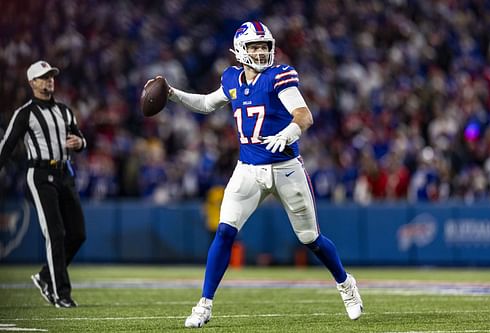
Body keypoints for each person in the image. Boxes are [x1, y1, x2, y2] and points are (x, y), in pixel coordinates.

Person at [146, 21, 363, 327]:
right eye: (254, 47)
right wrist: (172, 94)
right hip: (248, 169)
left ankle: (345, 284)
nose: (261, 52)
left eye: (264, 46)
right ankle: (204, 304)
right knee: (224, 231)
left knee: (310, 238)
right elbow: (208, 103)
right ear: (239, 51)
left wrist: (288, 133)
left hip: (287, 169)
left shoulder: (279, 76)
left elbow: (304, 115)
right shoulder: (232, 78)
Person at [0, 60, 87, 308]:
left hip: (64, 174)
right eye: (43, 77)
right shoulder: (25, 113)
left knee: (78, 234)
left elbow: (80, 139)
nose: (49, 80)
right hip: (39, 175)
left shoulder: (65, 111)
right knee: (56, 233)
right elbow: (6, 147)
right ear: (32, 83)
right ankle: (61, 293)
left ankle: (44, 276)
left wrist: (80, 144)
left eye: (51, 76)